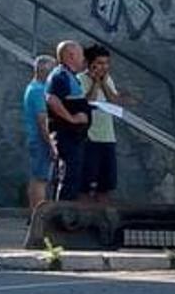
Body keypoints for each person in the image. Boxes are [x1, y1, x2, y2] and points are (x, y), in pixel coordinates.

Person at [45, 40, 90, 202]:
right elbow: (52, 99)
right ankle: (61, 216)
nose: (83, 58)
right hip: (67, 135)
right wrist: (71, 118)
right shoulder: (61, 75)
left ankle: (64, 214)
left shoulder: (70, 76)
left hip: (74, 135)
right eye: (81, 54)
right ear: (71, 55)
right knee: (68, 177)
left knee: (72, 176)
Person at [78, 44, 120, 203]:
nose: (104, 67)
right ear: (90, 63)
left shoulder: (108, 79)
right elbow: (87, 102)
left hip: (108, 138)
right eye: (100, 63)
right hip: (90, 139)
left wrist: (103, 83)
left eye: (106, 63)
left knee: (105, 185)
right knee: (86, 185)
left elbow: (114, 101)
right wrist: (95, 82)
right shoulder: (80, 79)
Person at [22, 54, 56, 214]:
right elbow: (43, 120)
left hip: (36, 138)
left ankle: (34, 215)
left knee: (37, 177)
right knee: (41, 179)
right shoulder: (38, 90)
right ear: (44, 71)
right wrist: (51, 143)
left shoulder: (33, 88)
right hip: (41, 139)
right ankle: (39, 217)